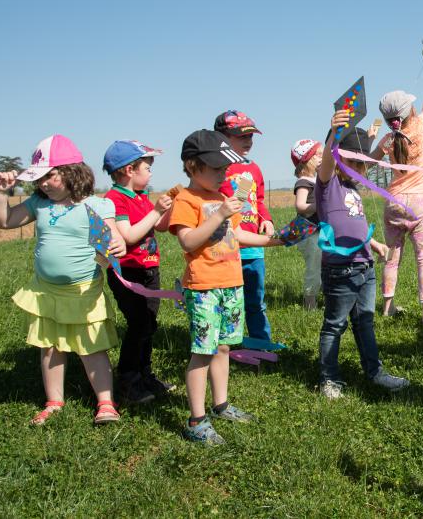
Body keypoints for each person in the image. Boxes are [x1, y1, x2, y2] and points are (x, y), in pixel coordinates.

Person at [0, 134, 126, 426]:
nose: (42, 184)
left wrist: (118, 246)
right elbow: (4, 221)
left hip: (83, 292)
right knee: (49, 347)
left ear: (72, 173)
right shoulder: (39, 203)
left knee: (92, 348)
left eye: (49, 176)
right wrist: (0, 194)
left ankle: (105, 403)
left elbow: (116, 239)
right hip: (47, 291)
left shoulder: (97, 206)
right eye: (38, 178)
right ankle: (54, 402)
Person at [169, 129, 284, 445]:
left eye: (225, 168)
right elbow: (188, 240)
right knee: (201, 352)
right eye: (217, 168)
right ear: (193, 166)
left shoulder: (221, 197)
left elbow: (238, 236)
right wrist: (219, 213)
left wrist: (276, 240)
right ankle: (196, 420)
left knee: (223, 347)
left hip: (231, 283)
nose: (224, 174)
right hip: (204, 287)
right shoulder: (186, 199)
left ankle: (220, 405)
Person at [315, 110, 410, 399]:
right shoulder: (327, 185)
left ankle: (374, 372)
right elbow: (329, 162)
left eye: (363, 164)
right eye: (353, 162)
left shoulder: (352, 190)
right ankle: (328, 379)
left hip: (364, 266)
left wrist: (376, 246)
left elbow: (354, 228)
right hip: (340, 270)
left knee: (365, 322)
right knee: (335, 325)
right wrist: (333, 134)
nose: (359, 168)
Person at [102, 140, 175, 403]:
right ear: (129, 170)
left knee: (149, 324)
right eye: (148, 166)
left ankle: (145, 374)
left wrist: (166, 210)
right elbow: (129, 235)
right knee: (139, 324)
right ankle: (129, 379)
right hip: (128, 273)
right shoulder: (114, 200)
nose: (151, 171)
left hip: (149, 268)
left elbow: (161, 226)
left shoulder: (142, 197)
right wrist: (156, 210)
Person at [373, 62, 423, 325]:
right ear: (409, 110)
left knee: (392, 256)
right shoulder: (422, 125)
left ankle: (387, 306)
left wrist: (372, 137)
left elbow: (368, 161)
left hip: (393, 202)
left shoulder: (387, 140)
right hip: (418, 202)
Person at [213, 110, 278, 347]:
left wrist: (267, 219)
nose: (248, 141)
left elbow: (259, 200)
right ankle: (228, 343)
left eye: (251, 135)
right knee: (230, 299)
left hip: (253, 247)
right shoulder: (216, 169)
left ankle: (261, 343)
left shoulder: (254, 169)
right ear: (220, 137)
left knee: (256, 300)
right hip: (228, 247)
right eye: (241, 136)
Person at [291, 139, 323, 310]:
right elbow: (301, 206)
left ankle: (324, 294)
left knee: (324, 265)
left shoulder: (315, 181)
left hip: (319, 232)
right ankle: (310, 303)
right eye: (318, 155)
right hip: (309, 234)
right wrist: (320, 205)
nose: (322, 159)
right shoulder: (303, 182)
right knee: (314, 268)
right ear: (307, 160)